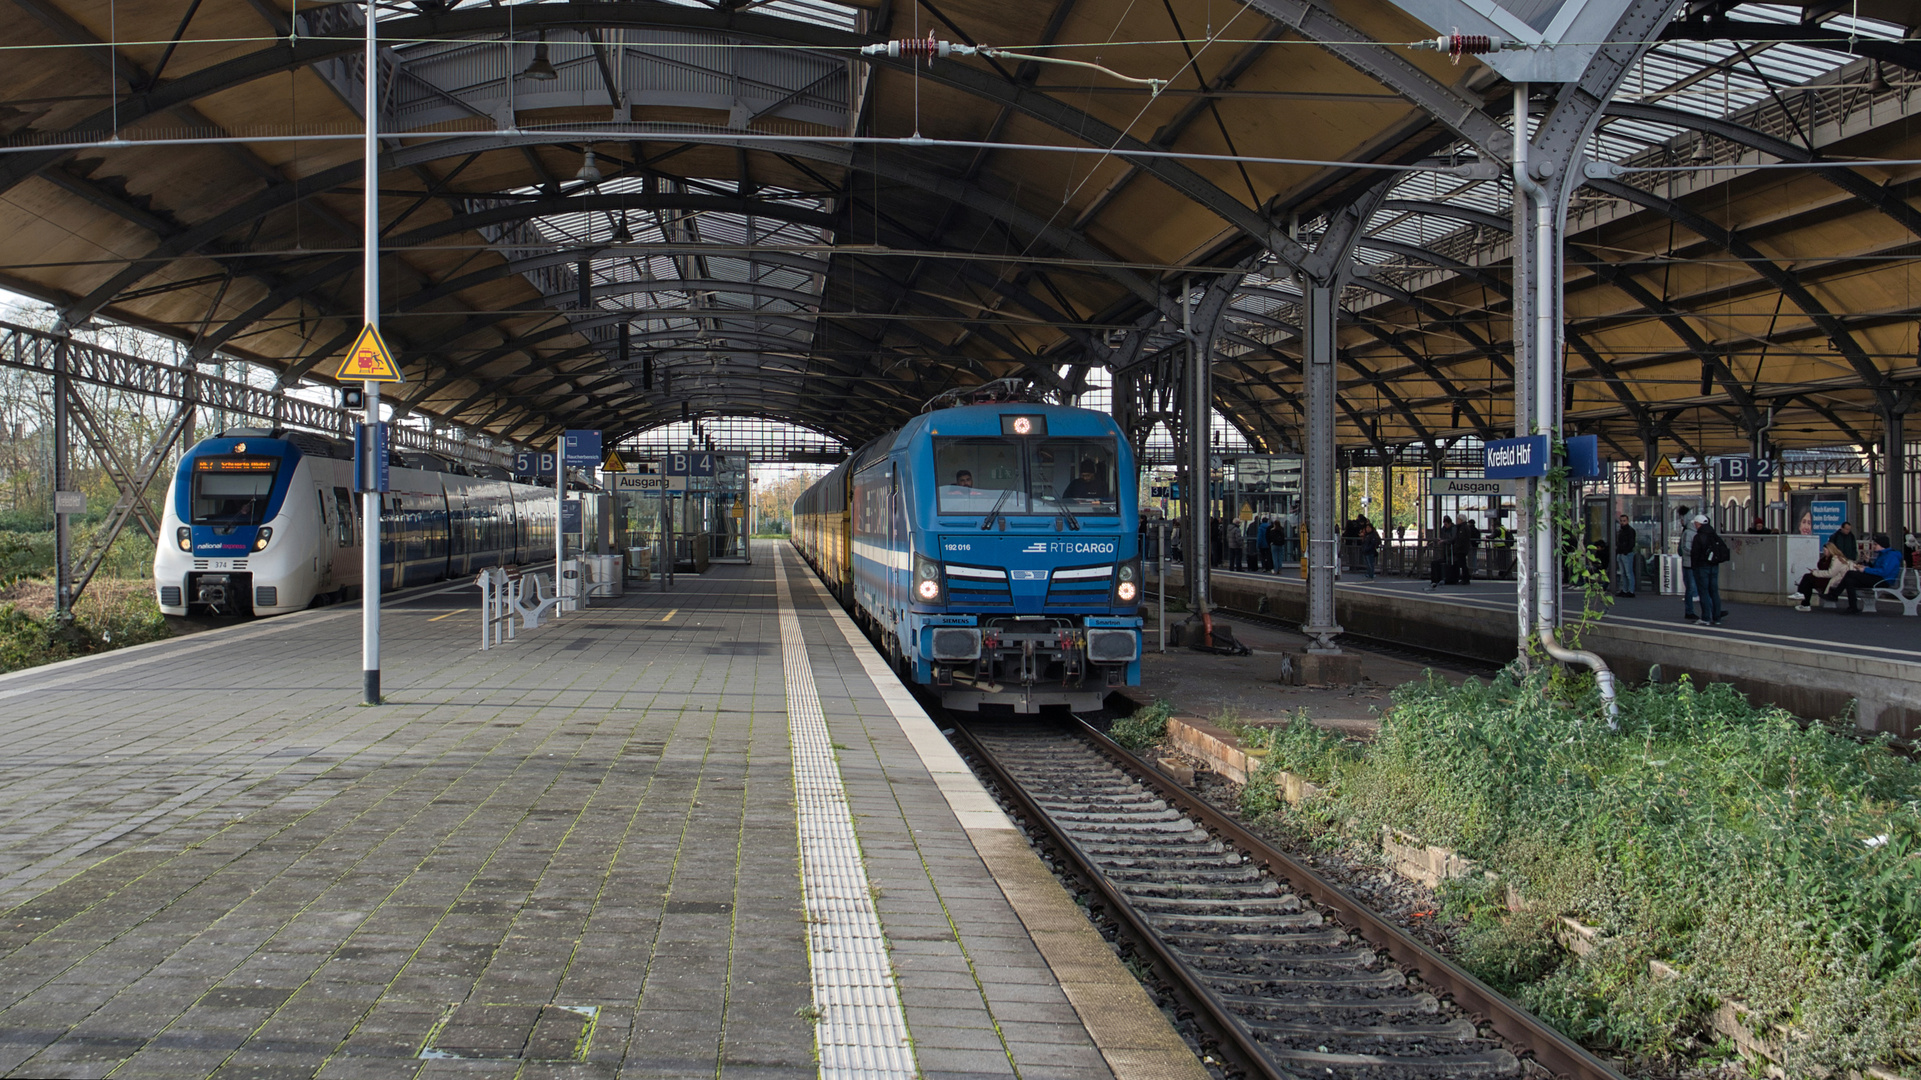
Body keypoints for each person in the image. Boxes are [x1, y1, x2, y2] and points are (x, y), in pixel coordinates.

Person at [1824, 534, 1903, 614]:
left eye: (1876, 544)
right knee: (1849, 580)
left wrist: (1865, 569)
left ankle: (1835, 595)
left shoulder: (1891, 556)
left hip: (1884, 580)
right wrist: (1868, 563)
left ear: (1882, 545)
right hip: (1879, 578)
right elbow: (1878, 569)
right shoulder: (1884, 555)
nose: (1874, 546)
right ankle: (1851, 606)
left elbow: (1884, 572)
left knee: (1850, 573)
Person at [1689, 514, 1730, 626]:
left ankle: (1706, 617)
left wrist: (1694, 567)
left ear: (1699, 524)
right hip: (1714, 566)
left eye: (1695, 523)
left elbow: (1695, 554)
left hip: (1702, 567)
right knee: (1714, 592)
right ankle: (1717, 618)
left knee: (1704, 592)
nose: (1695, 525)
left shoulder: (1699, 537)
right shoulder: (1714, 535)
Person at [1789, 542, 1856, 611]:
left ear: (1830, 550)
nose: (1824, 552)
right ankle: (1804, 601)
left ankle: (1803, 599)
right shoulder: (1826, 558)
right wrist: (1816, 572)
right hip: (1827, 578)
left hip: (1833, 580)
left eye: (1825, 550)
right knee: (1808, 580)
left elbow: (1831, 573)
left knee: (1808, 578)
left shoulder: (1837, 559)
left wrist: (1815, 573)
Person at [1676, 506, 1701, 621]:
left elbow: (1684, 547)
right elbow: (1686, 547)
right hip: (1691, 562)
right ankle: (1690, 610)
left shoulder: (1686, 531)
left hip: (1688, 562)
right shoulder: (1691, 531)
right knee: (1691, 586)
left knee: (1689, 586)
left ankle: (1689, 610)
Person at [1613, 513, 1638, 597]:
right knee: (1623, 573)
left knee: (1628, 573)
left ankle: (1631, 591)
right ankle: (1624, 589)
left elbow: (1631, 543)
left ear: (1627, 521)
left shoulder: (1630, 531)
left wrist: (1625, 551)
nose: (1622, 522)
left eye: (1624, 521)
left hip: (1627, 554)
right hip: (1621, 553)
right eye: (1621, 521)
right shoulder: (1620, 531)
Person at [1454, 517, 1481, 582]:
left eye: (1458, 519)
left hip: (1462, 548)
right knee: (1468, 560)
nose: (1457, 521)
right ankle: (1471, 572)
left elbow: (1462, 538)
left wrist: (1457, 546)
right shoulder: (1470, 528)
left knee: (1463, 563)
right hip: (1471, 546)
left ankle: (1466, 577)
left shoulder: (1463, 528)